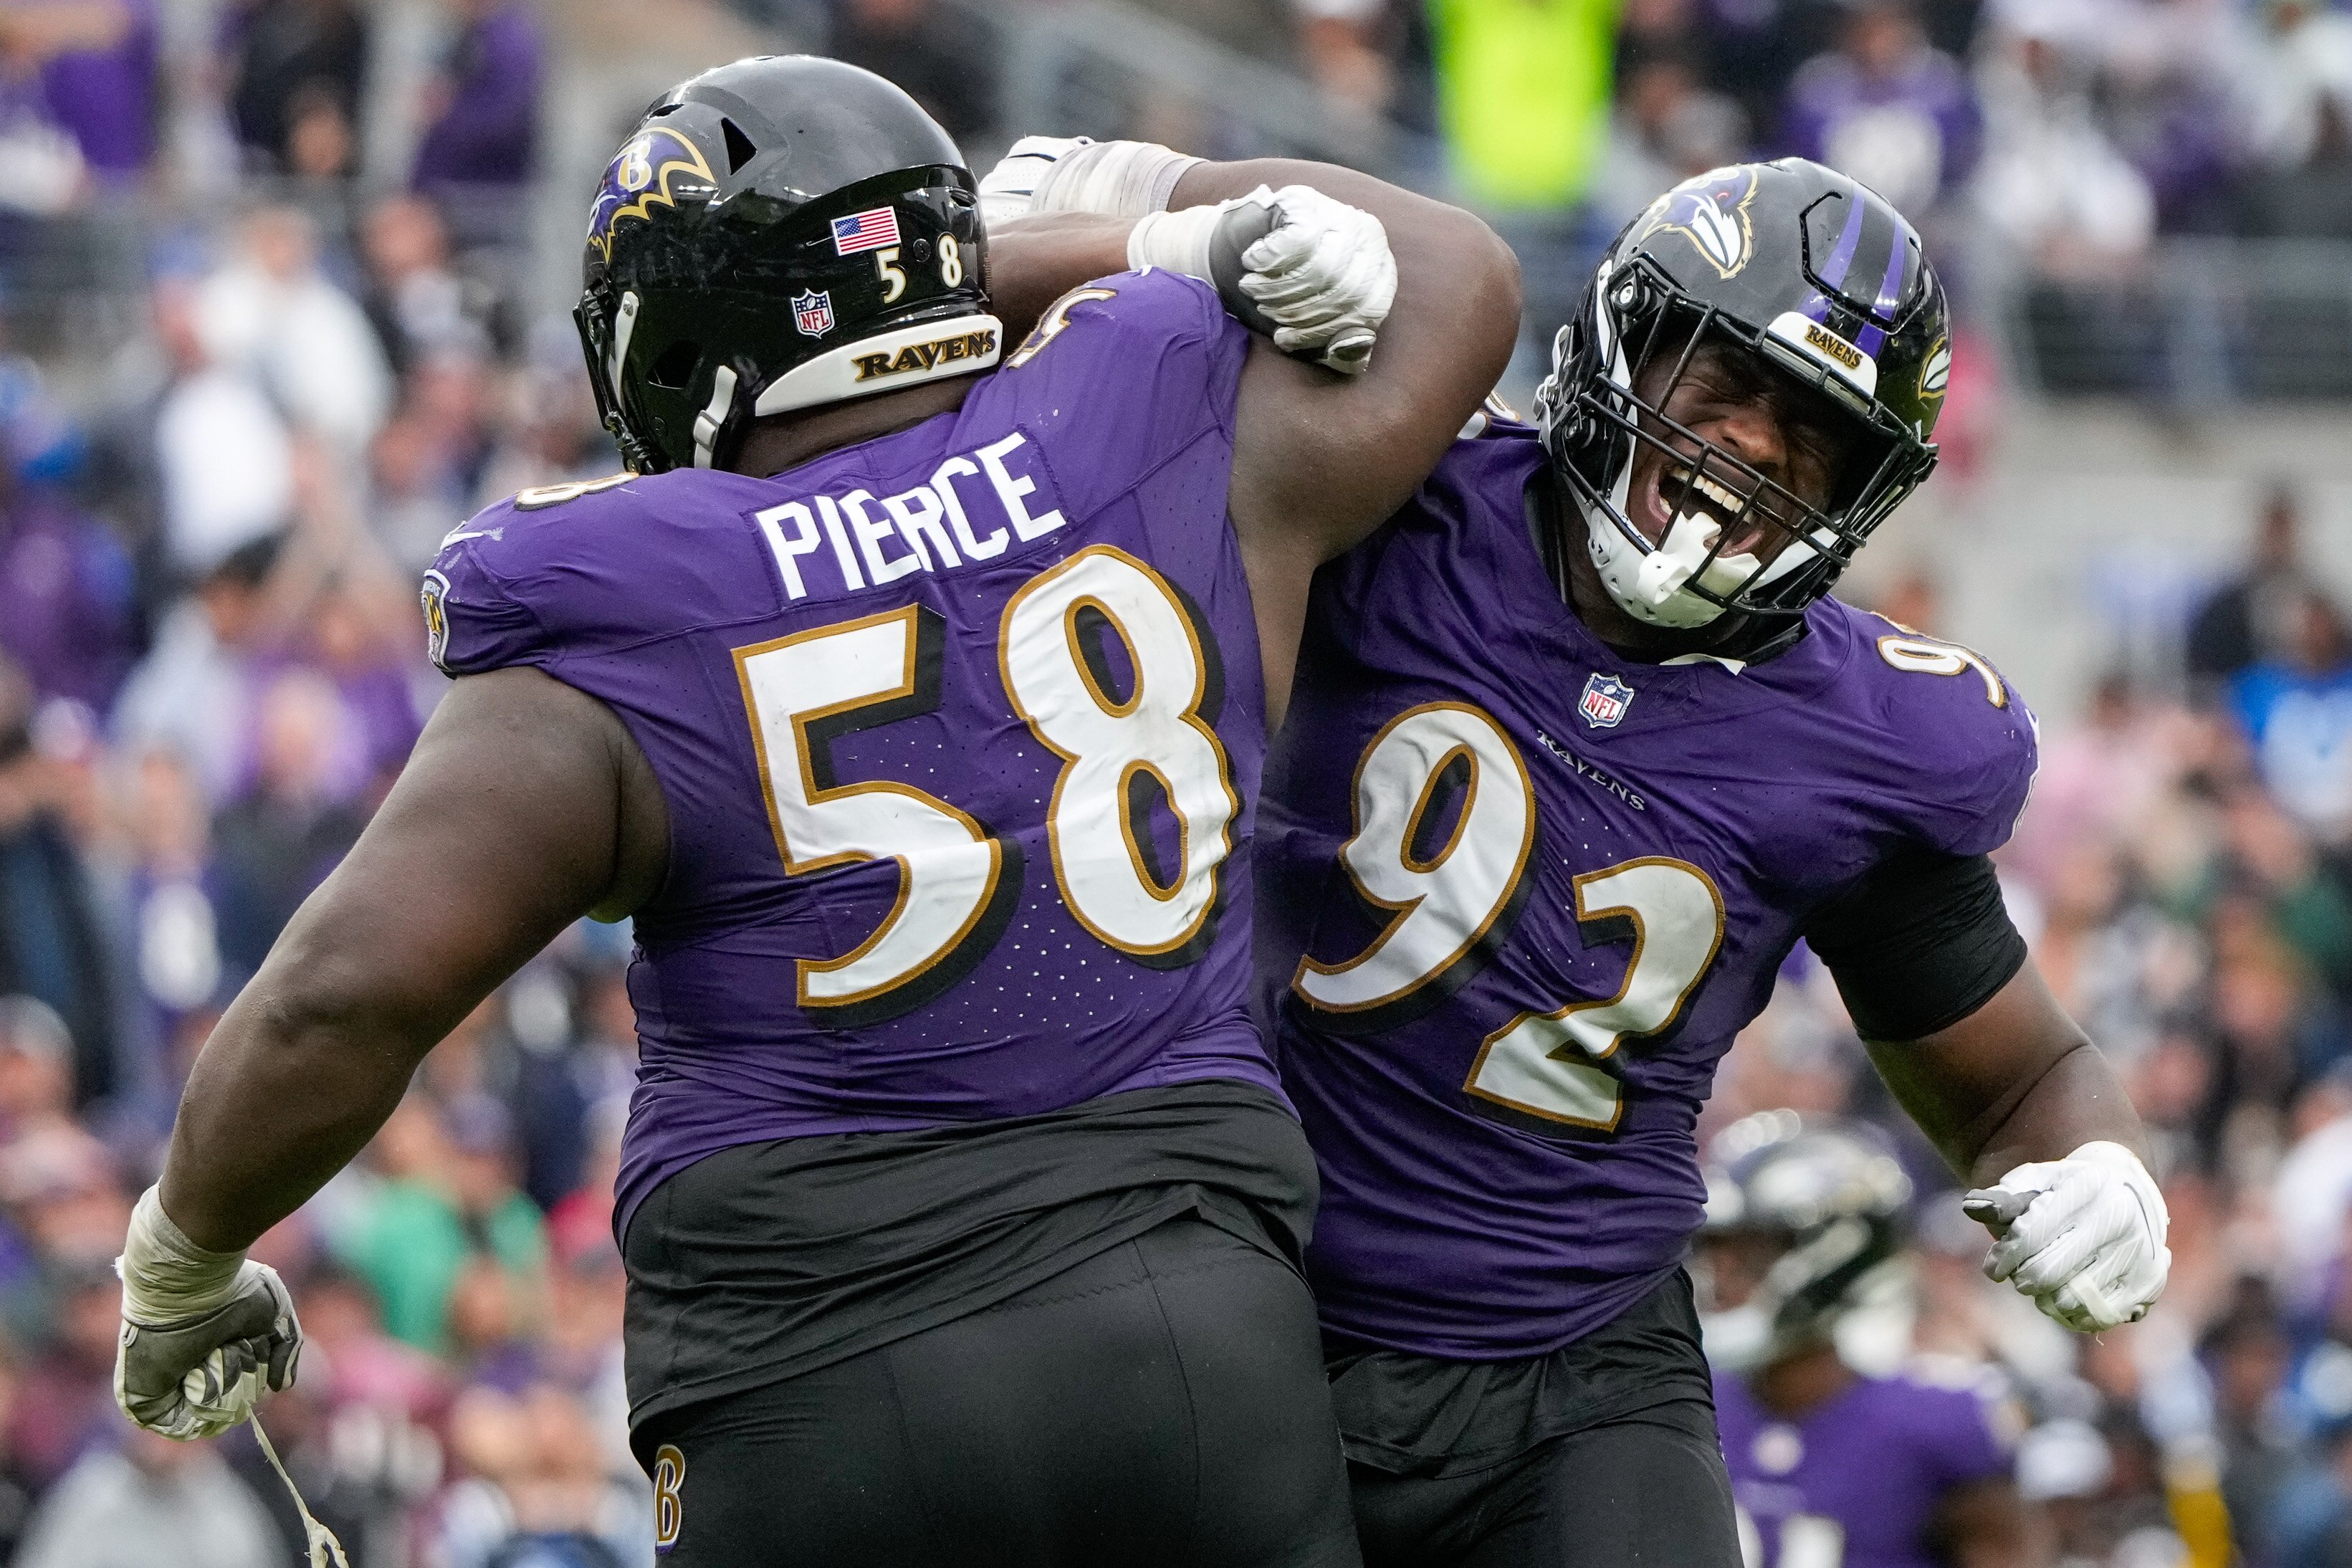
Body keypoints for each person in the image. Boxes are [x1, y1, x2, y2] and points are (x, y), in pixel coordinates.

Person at [114, 54, 1518, 1568]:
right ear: (951, 267)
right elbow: (1458, 271)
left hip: (818, 1371)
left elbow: (342, 997)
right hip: (1194, 1344)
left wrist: (182, 1252)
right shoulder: (1161, 418)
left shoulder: (635, 596)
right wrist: (1147, 217)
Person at [1251, 158, 2169, 1567]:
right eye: (1726, 381)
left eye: (1814, 439)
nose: (1750, 449)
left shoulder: (1871, 738)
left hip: (1574, 1362)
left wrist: (2101, 1159)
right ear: (1628, 338)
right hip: (1253, 1279)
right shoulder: (1403, 496)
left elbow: (2024, 1073)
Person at [1698, 1117, 2029, 1568]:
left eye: (1751, 1251)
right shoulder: (1683, 1403)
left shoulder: (1940, 1423)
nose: (1721, 1278)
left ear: (1840, 1251)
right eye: (1715, 1252)